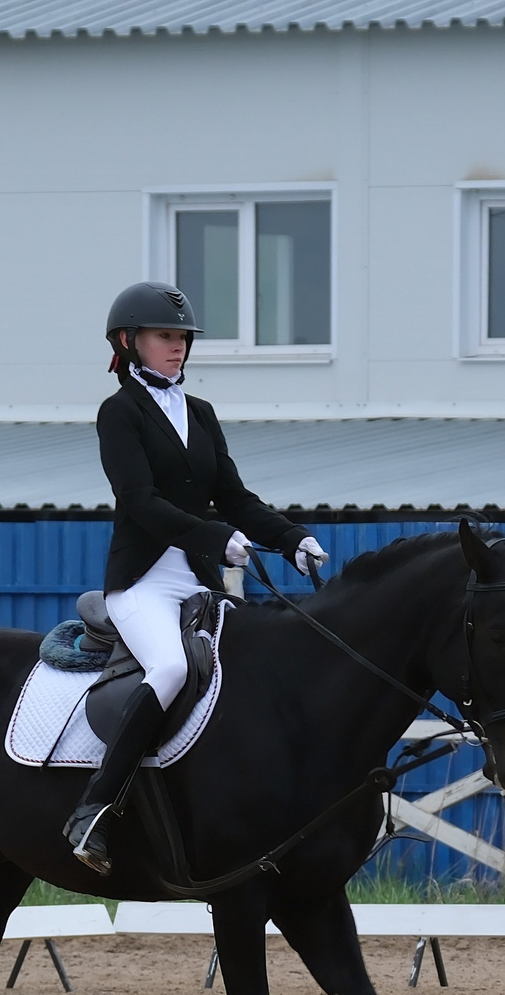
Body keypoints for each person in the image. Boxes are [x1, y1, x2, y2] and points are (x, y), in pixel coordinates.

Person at [65, 281, 330, 873]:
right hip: (143, 583)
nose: (177, 346)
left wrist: (291, 540)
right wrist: (216, 538)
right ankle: (95, 811)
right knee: (172, 668)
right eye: (165, 336)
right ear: (129, 342)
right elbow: (140, 501)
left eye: (183, 337)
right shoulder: (120, 413)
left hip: (198, 581)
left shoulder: (200, 414)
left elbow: (233, 496)